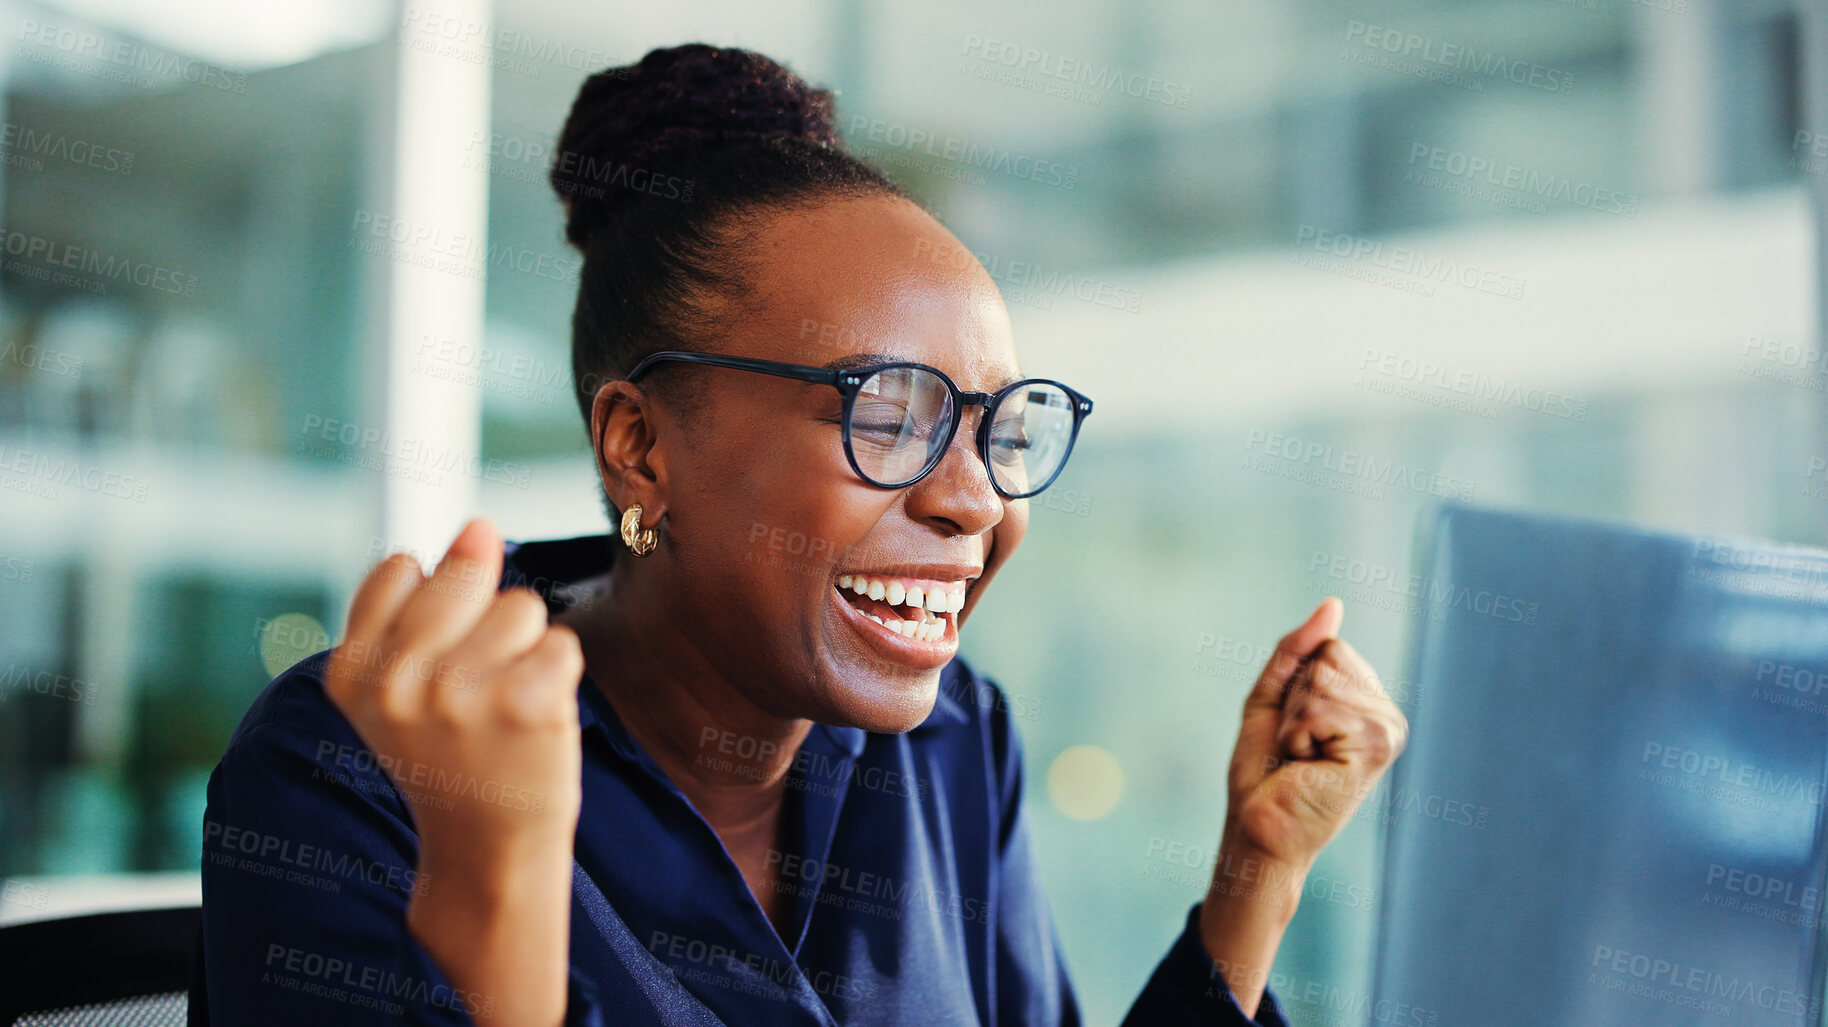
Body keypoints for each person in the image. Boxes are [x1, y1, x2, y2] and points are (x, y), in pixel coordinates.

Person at [192, 43, 1408, 1027]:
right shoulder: (364, 762)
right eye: (889, 414)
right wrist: (500, 881)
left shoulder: (953, 744)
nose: (975, 500)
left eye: (999, 430)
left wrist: (1259, 874)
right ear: (642, 447)